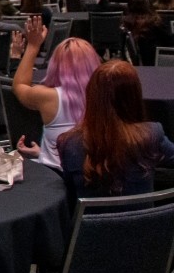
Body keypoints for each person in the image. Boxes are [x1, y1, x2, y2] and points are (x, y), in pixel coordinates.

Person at [58, 60, 174, 206]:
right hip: (146, 227)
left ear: (92, 96)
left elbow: (69, 195)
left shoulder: (68, 143)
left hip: (89, 228)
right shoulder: (152, 134)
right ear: (134, 96)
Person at [12, 17, 101, 170]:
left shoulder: (49, 97)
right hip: (94, 177)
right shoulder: (105, 96)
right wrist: (44, 152)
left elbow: (19, 85)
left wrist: (33, 46)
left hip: (56, 178)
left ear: (56, 64)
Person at [123, 0, 174, 66]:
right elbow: (170, 41)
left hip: (144, 63)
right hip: (158, 62)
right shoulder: (154, 24)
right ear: (149, 6)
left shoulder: (127, 23)